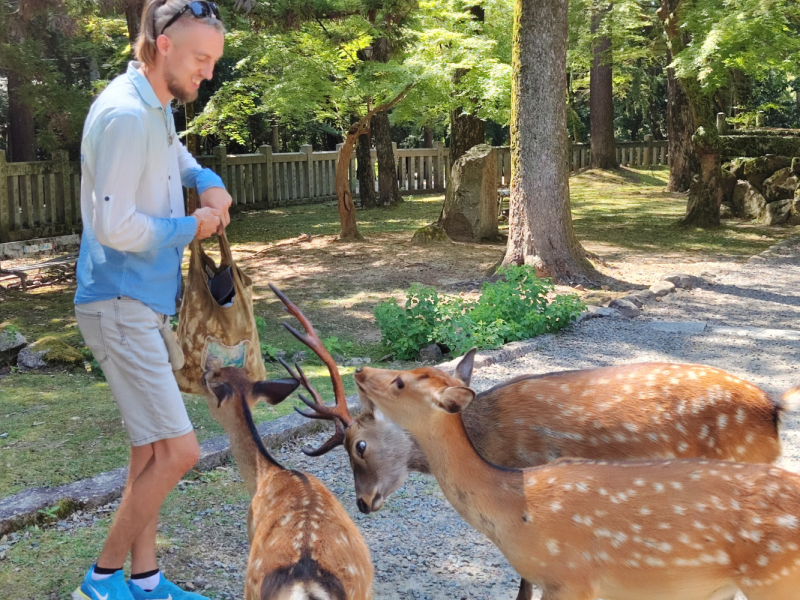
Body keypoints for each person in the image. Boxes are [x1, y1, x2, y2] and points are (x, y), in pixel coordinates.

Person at [72, 1, 231, 599]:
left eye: (212, 61)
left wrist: (205, 178)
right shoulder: (124, 115)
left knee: (150, 449)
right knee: (181, 450)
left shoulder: (154, 105)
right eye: (200, 59)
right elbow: (113, 225)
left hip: (139, 304)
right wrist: (192, 228)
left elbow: (175, 158)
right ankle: (101, 581)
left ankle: (145, 582)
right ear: (164, 45)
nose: (207, 73)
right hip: (118, 303)